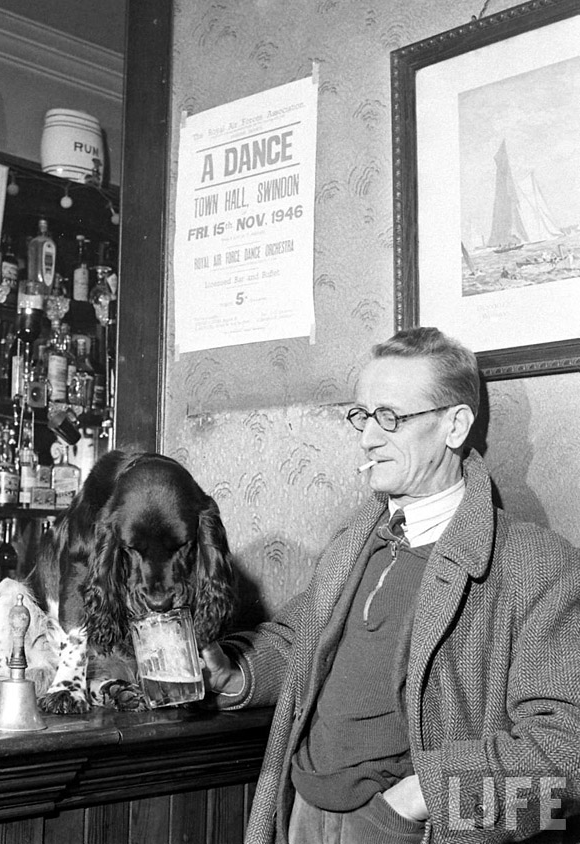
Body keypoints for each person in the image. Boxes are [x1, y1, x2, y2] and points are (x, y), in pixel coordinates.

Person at [202, 326, 580, 844]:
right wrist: (234, 673)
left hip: (405, 828)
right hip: (300, 815)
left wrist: (420, 800)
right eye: (362, 415)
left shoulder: (535, 565)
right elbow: (299, 643)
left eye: (390, 418)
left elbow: (566, 757)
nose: (367, 437)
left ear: (455, 426)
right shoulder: (355, 539)